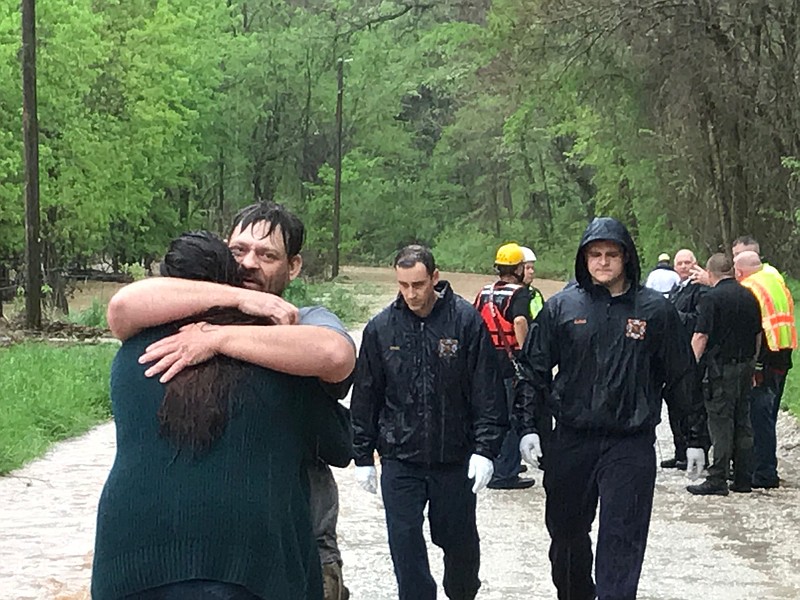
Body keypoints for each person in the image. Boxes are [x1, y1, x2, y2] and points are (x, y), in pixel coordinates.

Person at [105, 202, 357, 600]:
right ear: (224, 252)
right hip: (254, 568)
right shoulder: (164, 332)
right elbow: (121, 305)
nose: (249, 263)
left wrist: (216, 338)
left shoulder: (299, 323)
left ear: (293, 267)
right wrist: (239, 303)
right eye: (239, 250)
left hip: (139, 567)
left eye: (267, 254)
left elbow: (335, 355)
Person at [515, 217, 707, 600]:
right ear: (584, 258)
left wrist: (696, 438)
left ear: (627, 258)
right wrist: (527, 427)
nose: (603, 262)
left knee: (623, 538)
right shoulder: (561, 308)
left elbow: (681, 375)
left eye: (612, 254)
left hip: (630, 442)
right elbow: (532, 370)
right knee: (566, 535)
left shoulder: (654, 310)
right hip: (571, 438)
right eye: (595, 254)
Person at [350, 244, 507, 600]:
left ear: (434, 279)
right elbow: (367, 394)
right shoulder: (381, 328)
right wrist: (362, 455)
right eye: (403, 285)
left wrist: (486, 449)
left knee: (459, 543)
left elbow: (486, 390)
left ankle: (462, 592)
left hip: (453, 456)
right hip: (400, 457)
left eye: (418, 284)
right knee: (404, 543)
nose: (410, 293)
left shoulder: (465, 321)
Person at [687, 253, 762, 495]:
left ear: (710, 273)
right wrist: (753, 363)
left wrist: (688, 367)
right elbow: (758, 335)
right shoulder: (750, 295)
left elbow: (701, 336)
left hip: (721, 369)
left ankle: (717, 477)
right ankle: (743, 478)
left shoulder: (711, 298)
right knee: (743, 420)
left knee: (720, 421)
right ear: (731, 271)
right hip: (745, 365)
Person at [473, 243, 536, 489]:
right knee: (510, 416)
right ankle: (505, 472)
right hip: (509, 361)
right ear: (518, 268)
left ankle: (495, 460)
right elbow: (520, 321)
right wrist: (525, 353)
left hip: (486, 361)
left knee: (490, 413)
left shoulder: (484, 292)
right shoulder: (519, 293)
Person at [734, 250, 797, 489]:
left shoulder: (750, 288)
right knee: (768, 416)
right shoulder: (773, 277)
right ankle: (765, 467)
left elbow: (755, 332)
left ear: (740, 272)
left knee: (760, 419)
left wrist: (755, 368)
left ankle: (764, 472)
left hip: (766, 361)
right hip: (783, 354)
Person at [661, 248, 709, 470]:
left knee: (691, 406)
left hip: (692, 353)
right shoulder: (677, 288)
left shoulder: (700, 290)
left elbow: (699, 321)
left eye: (687, 263)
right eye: (679, 263)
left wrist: (674, 316)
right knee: (674, 405)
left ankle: (694, 448)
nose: (683, 267)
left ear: (695, 264)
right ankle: (679, 451)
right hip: (674, 353)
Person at [521, 246, 545, 319]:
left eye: (532, 268)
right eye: (527, 268)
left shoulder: (535, 294)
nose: (532, 272)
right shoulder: (507, 295)